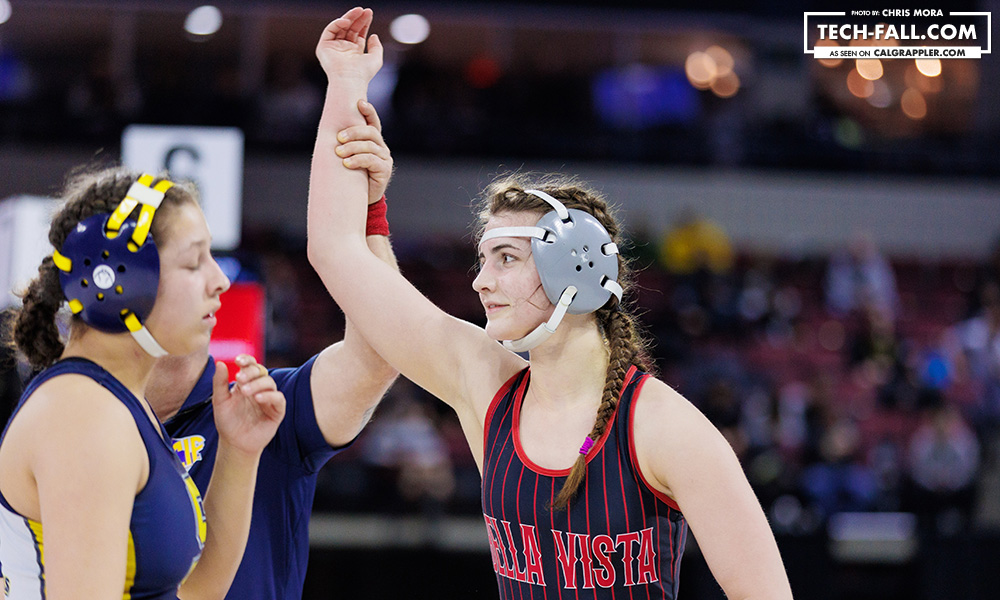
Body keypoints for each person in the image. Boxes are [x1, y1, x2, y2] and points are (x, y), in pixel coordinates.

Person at [307, 8, 794, 598]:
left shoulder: (668, 430)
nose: (481, 282)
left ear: (578, 268)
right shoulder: (484, 384)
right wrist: (346, 89)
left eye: (506, 259)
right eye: (484, 261)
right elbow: (337, 254)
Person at [144, 88, 399, 598]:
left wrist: (370, 213)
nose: (220, 280)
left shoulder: (268, 406)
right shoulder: (75, 420)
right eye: (194, 262)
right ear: (129, 284)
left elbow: (381, 348)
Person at [0, 168, 285, 599]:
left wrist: (239, 454)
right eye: (194, 262)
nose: (221, 280)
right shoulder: (83, 416)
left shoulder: (119, 403)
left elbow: (191, 594)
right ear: (119, 280)